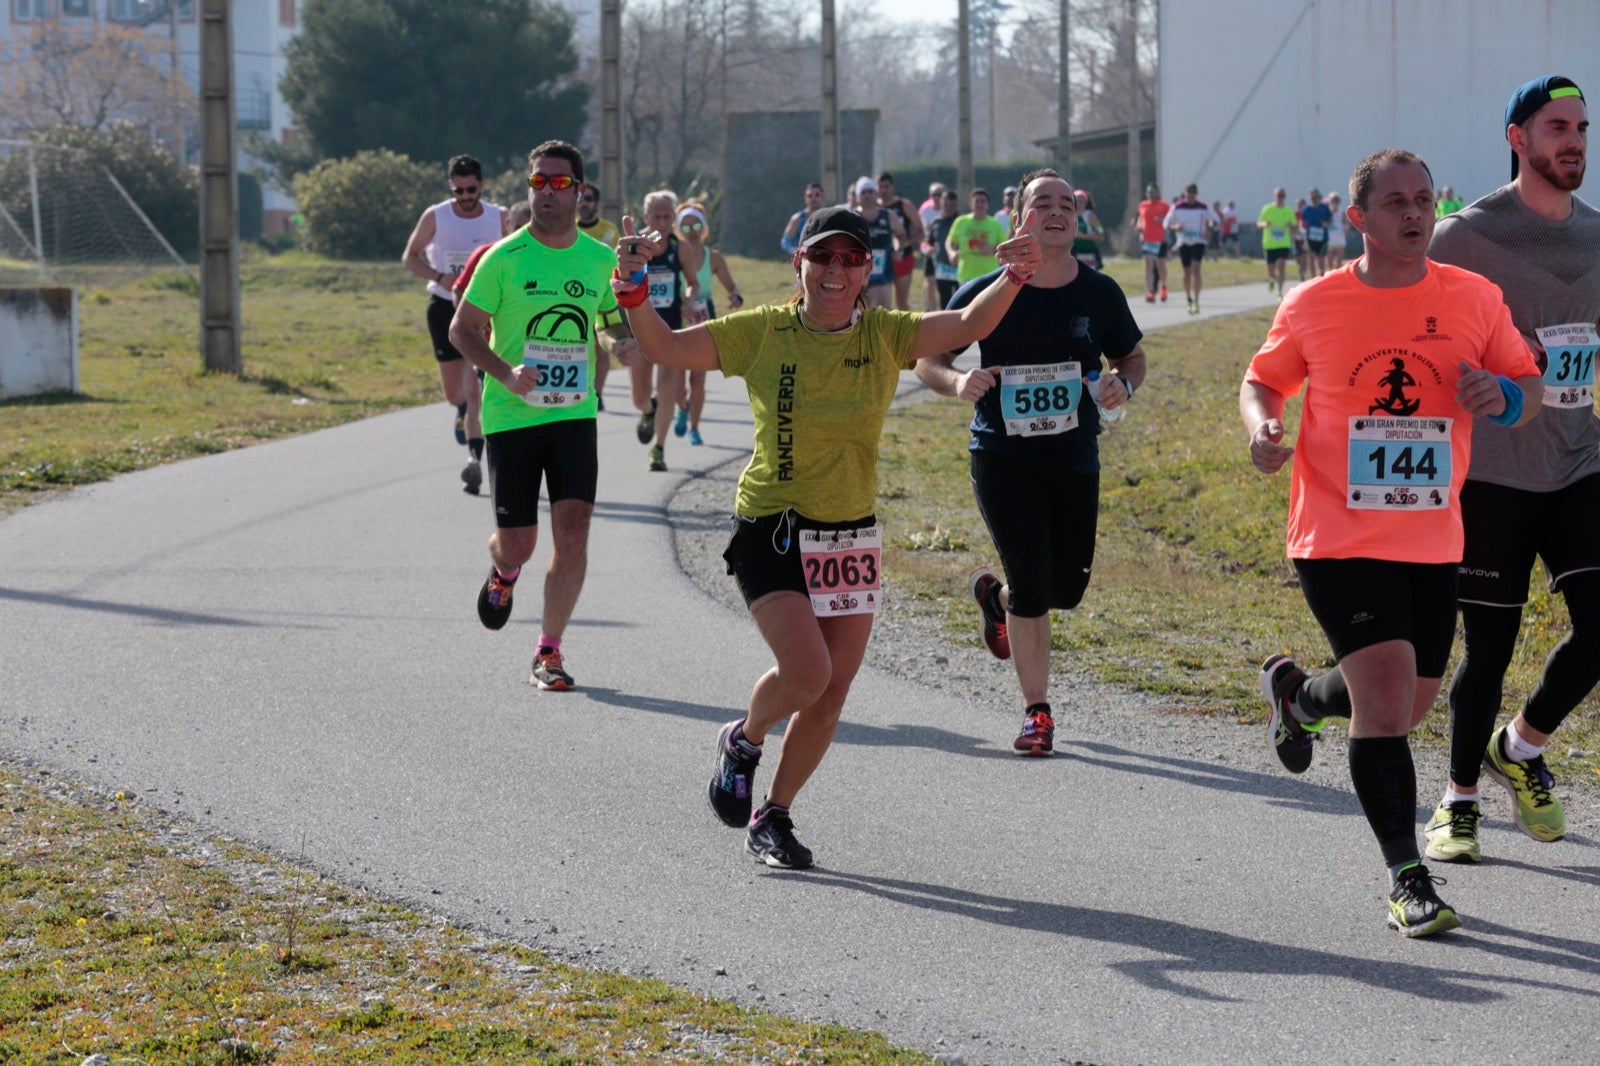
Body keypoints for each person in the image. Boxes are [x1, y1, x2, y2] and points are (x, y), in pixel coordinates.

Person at [615, 204, 1043, 869]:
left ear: (867, 269)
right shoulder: (764, 331)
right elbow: (666, 348)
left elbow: (965, 324)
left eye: (850, 258)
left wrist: (1014, 275)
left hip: (849, 536)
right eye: (823, 256)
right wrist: (632, 289)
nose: (835, 271)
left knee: (832, 690)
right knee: (807, 673)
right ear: (800, 263)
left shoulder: (883, 334)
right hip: (773, 526)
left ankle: (774, 816)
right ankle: (745, 737)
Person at [1243, 148, 1542, 937]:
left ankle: (1300, 698)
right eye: (1397, 202)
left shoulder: (1474, 297)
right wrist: (1263, 427)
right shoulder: (1315, 303)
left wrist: (1504, 394)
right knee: (1382, 699)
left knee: (1406, 704)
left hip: (1432, 535)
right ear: (1359, 219)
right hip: (1336, 533)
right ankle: (1408, 880)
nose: (1415, 214)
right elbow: (1263, 379)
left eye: (1425, 200)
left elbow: (1529, 389)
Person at [1422, 75, 1596, 865]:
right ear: (1517, 138)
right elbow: (1415, 331)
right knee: (1488, 647)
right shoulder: (1465, 237)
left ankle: (1520, 746)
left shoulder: (1599, 236)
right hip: (1491, 469)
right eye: (1558, 126)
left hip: (1578, 460)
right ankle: (1458, 800)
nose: (1575, 142)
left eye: (1584, 129)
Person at [915, 169, 1147, 755]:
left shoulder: (1100, 292)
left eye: (1066, 203)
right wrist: (958, 378)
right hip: (1002, 453)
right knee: (1035, 585)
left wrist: (1124, 382)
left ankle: (998, 600)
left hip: (1074, 454)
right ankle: (1036, 712)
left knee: (1064, 589)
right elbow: (927, 359)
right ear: (1019, 218)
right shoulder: (987, 289)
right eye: (1041, 203)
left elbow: (1131, 357)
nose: (1055, 211)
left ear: (1077, 218)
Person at [447, 140, 631, 691]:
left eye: (558, 183)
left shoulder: (601, 259)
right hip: (512, 416)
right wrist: (505, 373)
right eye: (537, 183)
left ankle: (548, 652)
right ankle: (504, 571)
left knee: (573, 534)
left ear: (579, 190)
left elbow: (610, 319)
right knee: (520, 543)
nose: (546, 192)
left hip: (574, 414)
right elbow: (461, 330)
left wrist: (619, 341)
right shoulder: (503, 258)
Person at [401, 153, 508, 494]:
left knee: (476, 383)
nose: (465, 197)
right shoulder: (436, 216)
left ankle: (475, 458)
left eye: (471, 189)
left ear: (482, 185)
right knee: (454, 393)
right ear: (451, 187)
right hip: (444, 305)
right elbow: (409, 257)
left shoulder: (498, 217)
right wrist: (439, 277)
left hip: (486, 307)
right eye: (459, 190)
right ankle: (462, 409)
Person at [671, 201, 745, 446]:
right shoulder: (673, 255)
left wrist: (735, 297)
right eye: (686, 225)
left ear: (704, 228)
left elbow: (732, 287)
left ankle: (694, 427)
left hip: (704, 322)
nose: (691, 230)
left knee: (698, 380)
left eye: (696, 225)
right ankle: (682, 407)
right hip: (678, 321)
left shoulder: (713, 258)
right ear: (678, 228)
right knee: (677, 385)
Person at [629, 189, 689, 472]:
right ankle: (647, 410)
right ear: (646, 217)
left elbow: (693, 283)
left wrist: (689, 298)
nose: (662, 222)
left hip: (670, 329)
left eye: (667, 217)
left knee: (667, 387)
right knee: (639, 396)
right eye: (656, 216)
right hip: (639, 328)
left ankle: (659, 449)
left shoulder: (681, 248)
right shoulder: (633, 246)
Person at [577, 185, 621, 410]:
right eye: (581, 199)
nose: (584, 203)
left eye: (589, 199)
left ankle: (598, 392)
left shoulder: (610, 231)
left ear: (597, 203)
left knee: (601, 348)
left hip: (603, 298)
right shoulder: (569, 229)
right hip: (574, 297)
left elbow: (618, 265)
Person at [1164, 183, 1220, 314]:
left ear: (1196, 193)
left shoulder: (1203, 207)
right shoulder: (1177, 207)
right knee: (1187, 272)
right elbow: (1166, 223)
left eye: (1193, 192)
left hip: (1199, 241)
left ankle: (1196, 300)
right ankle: (1188, 298)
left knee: (1196, 269)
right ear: (1184, 193)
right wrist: (1175, 227)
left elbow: (1215, 220)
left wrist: (1210, 228)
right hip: (1184, 242)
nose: (1191, 195)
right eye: (1189, 192)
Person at [852, 176, 906, 310]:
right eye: (863, 193)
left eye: (870, 192)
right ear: (857, 197)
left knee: (883, 313)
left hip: (882, 274)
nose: (867, 195)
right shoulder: (852, 217)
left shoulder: (888, 215)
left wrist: (899, 249)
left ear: (876, 194)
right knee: (860, 315)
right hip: (858, 274)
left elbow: (901, 235)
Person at [877, 173, 925, 312]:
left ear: (892, 187)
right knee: (879, 303)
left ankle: (902, 332)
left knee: (901, 303)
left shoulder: (904, 205)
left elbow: (921, 233)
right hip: (880, 259)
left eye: (886, 186)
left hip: (903, 257)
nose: (884, 190)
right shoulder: (873, 207)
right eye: (880, 187)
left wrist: (904, 243)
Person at [946, 187, 1007, 288]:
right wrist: (951, 253)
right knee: (966, 304)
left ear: (987, 205)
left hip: (989, 275)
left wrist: (993, 250)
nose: (979, 204)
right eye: (976, 201)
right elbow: (949, 241)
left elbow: (1005, 248)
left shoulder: (995, 224)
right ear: (971, 204)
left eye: (982, 201)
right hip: (966, 276)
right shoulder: (961, 221)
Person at [1132, 183, 1170, 303]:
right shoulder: (1143, 205)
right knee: (1148, 266)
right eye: (1148, 192)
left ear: (1158, 193)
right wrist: (1138, 226)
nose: (1150, 195)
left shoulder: (1164, 205)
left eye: (1153, 192)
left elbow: (1170, 221)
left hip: (1160, 241)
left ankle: (1163, 287)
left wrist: (1162, 221)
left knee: (1161, 267)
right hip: (1147, 241)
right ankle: (1150, 291)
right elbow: (1140, 219)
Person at [926, 187, 963, 308]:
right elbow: (929, 242)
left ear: (956, 205)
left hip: (960, 267)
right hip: (942, 268)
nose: (949, 208)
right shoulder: (936, 221)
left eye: (952, 205)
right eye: (946, 205)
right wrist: (929, 249)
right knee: (945, 301)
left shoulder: (962, 221)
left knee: (961, 299)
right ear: (941, 203)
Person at [1257, 186, 1295, 297]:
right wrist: (1264, 224)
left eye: (1282, 195)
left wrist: (1290, 225)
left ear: (1285, 197)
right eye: (1279, 195)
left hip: (1284, 243)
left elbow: (1294, 226)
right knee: (1271, 270)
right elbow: (1259, 223)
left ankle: (1279, 292)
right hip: (1270, 244)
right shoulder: (1267, 209)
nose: (1280, 197)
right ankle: (1271, 279)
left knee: (1281, 265)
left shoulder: (1288, 210)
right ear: (1275, 196)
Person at [920, 181, 948, 311]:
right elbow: (920, 231)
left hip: (945, 251)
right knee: (929, 283)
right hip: (929, 249)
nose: (937, 197)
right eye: (934, 194)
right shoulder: (925, 210)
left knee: (944, 284)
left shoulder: (949, 208)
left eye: (940, 194)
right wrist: (925, 247)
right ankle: (930, 311)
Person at [781, 182, 826, 254]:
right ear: (805, 198)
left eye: (817, 195)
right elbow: (785, 242)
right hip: (803, 261)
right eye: (809, 195)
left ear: (822, 196)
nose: (813, 198)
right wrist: (793, 251)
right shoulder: (797, 219)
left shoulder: (829, 217)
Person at [1301, 187, 1334, 278]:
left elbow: (1331, 221)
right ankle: (1313, 279)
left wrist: (1326, 224)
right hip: (1310, 238)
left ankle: (1321, 276)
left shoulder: (1324, 207)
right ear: (1310, 197)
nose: (1314, 198)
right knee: (1311, 259)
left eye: (1315, 196)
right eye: (1312, 197)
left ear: (1318, 196)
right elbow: (1302, 223)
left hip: (1322, 238)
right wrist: (1303, 229)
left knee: (1320, 260)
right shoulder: (1306, 209)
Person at [1070, 188, 1105, 270]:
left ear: (1086, 202)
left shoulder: (1091, 216)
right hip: (1074, 251)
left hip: (1090, 251)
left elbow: (1101, 236)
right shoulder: (1069, 215)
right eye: (1077, 200)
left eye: (1082, 201)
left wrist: (1082, 236)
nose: (1079, 203)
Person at [1325, 192, 1347, 269]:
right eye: (1333, 200)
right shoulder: (1327, 212)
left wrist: (1346, 228)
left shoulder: (1342, 212)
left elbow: (1346, 224)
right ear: (1330, 201)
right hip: (1329, 240)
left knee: (1339, 263)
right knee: (1329, 262)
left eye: (1337, 201)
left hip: (1340, 239)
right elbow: (1323, 224)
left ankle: (1338, 279)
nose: (1335, 202)